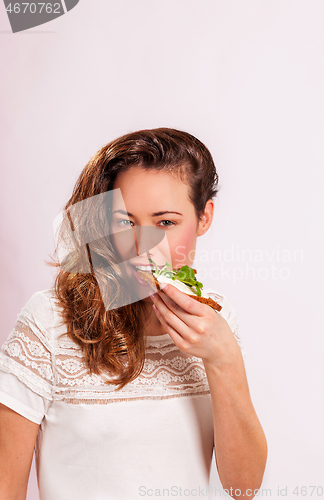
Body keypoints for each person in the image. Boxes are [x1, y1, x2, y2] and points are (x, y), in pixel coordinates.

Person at [0, 128, 267, 499]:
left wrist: (224, 358)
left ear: (204, 217)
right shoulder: (48, 321)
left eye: (166, 223)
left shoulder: (218, 323)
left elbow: (244, 487)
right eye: (125, 222)